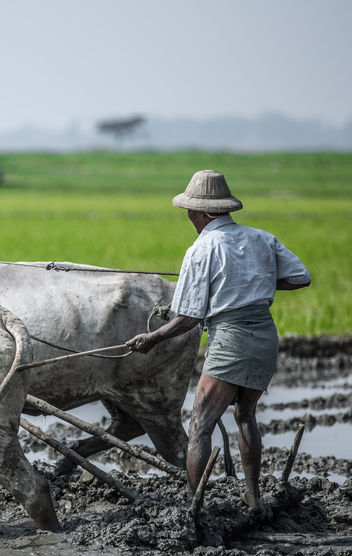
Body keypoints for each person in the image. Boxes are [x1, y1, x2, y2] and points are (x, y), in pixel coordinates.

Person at [126, 170, 311, 513]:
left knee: (199, 426)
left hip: (231, 339)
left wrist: (153, 337)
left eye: (188, 211)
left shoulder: (201, 248)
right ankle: (254, 499)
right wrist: (259, 285)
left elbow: (189, 318)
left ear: (198, 212)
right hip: (265, 337)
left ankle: (195, 509)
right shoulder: (262, 238)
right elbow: (301, 277)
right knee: (246, 416)